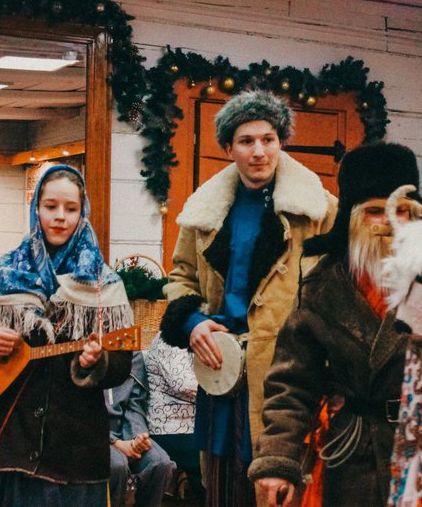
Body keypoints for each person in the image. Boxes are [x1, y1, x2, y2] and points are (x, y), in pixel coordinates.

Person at [160, 89, 336, 507]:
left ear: (281, 142)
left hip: (288, 379)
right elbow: (181, 277)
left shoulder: (318, 210)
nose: (259, 151)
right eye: (246, 141)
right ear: (229, 148)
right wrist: (192, 323)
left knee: (280, 490)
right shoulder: (205, 212)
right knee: (223, 490)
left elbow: (334, 291)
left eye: (268, 139)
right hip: (221, 373)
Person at [0, 164, 134, 507]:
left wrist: (97, 361)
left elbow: (121, 363)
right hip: (12, 444)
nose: (60, 216)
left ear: (83, 213)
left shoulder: (104, 286)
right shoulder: (5, 271)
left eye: (70, 209)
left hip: (76, 454)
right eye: (50, 206)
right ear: (36, 209)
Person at [249, 142, 422, 507]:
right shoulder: (324, 286)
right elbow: (291, 383)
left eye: (402, 211)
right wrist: (279, 459)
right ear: (353, 218)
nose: (390, 223)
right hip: (350, 455)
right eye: (375, 211)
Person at [106, 351, 176, 507]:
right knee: (116, 465)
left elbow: (136, 405)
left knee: (160, 463)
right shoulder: (81, 356)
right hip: (92, 436)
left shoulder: (133, 356)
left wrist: (137, 438)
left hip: (125, 433)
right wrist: (114, 442)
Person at [144, 333, 202, 499]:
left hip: (193, 426)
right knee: (212, 461)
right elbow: (184, 384)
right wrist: (222, 386)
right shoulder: (169, 338)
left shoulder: (196, 336)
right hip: (170, 428)